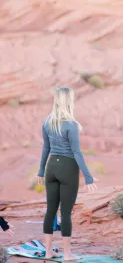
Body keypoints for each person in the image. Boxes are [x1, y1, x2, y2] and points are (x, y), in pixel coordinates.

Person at [36, 86, 98, 261]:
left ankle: (48, 252)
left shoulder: (47, 121)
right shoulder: (71, 124)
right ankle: (67, 254)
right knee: (66, 213)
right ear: (69, 101)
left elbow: (46, 147)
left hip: (51, 168)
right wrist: (88, 176)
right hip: (67, 167)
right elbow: (77, 152)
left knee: (50, 211)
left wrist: (41, 170)